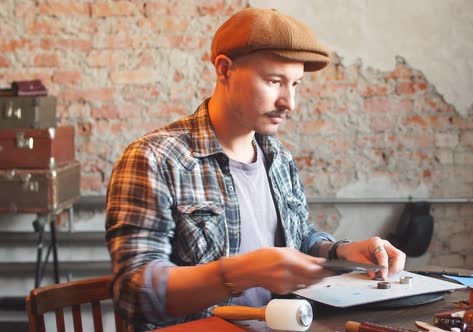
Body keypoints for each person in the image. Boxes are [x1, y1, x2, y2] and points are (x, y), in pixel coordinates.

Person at [105, 7, 406, 330]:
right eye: (274, 81)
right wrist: (241, 273)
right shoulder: (154, 159)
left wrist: (341, 251)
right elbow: (134, 293)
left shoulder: (278, 157)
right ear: (224, 70)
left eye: (296, 85)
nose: (289, 102)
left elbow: (298, 238)